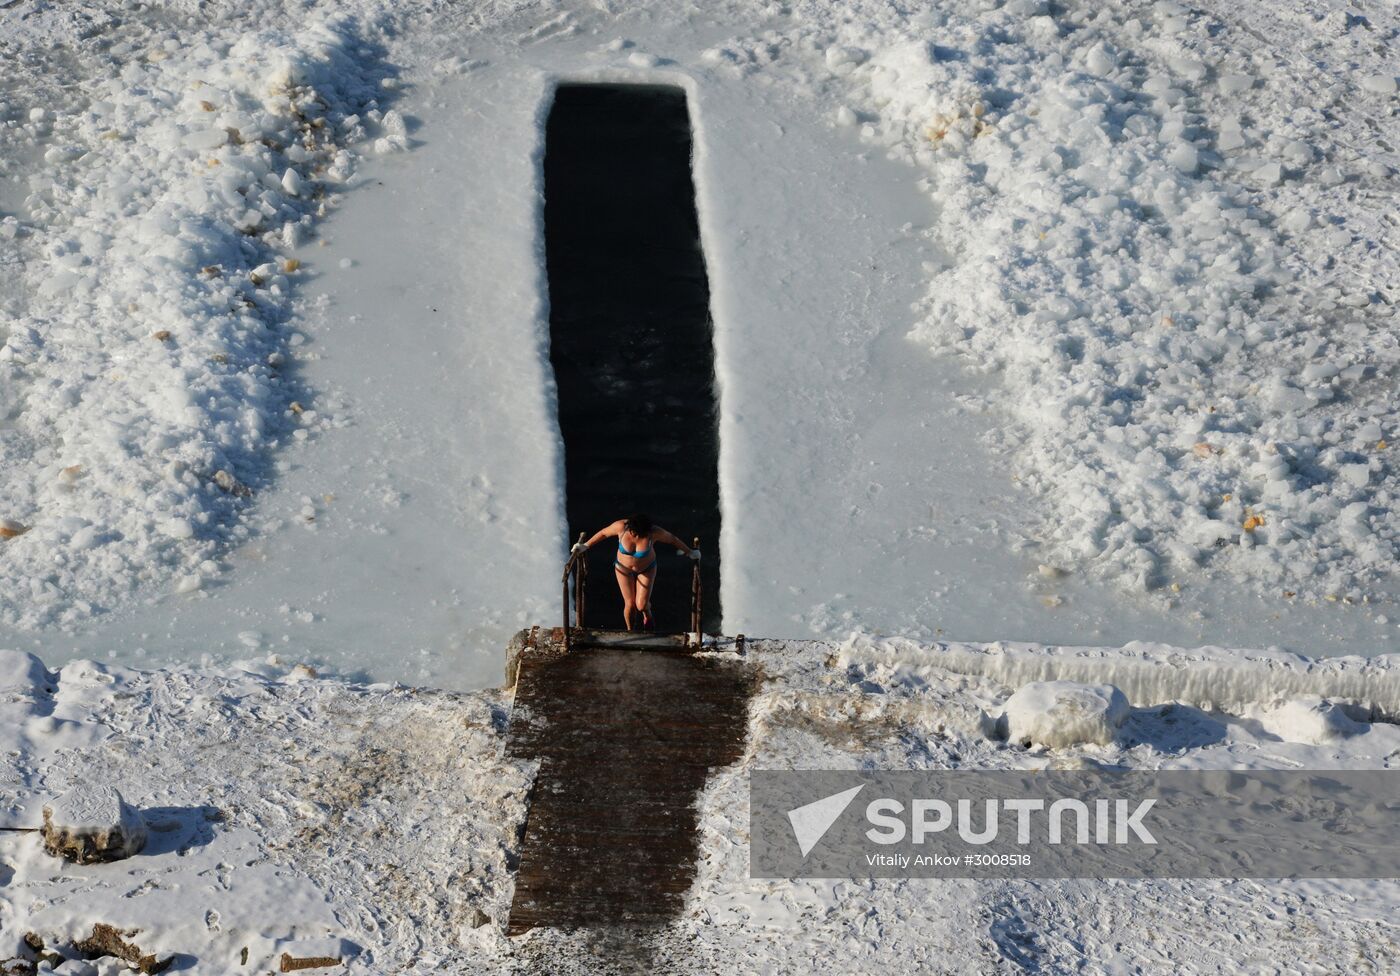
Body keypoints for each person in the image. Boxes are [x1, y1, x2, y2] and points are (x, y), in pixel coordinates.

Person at [572, 514, 700, 631]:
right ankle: (630, 630)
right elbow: (604, 533)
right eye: (632, 532)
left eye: (638, 534)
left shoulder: (654, 532)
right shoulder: (621, 527)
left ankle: (647, 614)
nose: (634, 535)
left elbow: (672, 539)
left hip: (647, 568)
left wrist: (690, 552)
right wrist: (585, 546)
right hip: (623, 568)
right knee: (630, 604)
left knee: (641, 605)